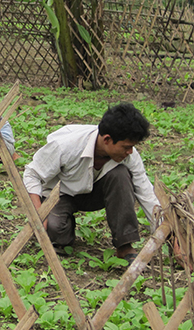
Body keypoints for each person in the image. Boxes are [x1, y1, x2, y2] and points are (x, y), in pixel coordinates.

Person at [22, 102, 159, 264]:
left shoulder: (129, 155)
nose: (130, 152)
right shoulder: (66, 146)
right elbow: (32, 174)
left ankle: (124, 246)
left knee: (121, 175)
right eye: (126, 147)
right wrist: (39, 214)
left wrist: (169, 233)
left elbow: (145, 191)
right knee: (56, 231)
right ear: (107, 139)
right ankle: (63, 227)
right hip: (60, 194)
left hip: (95, 192)